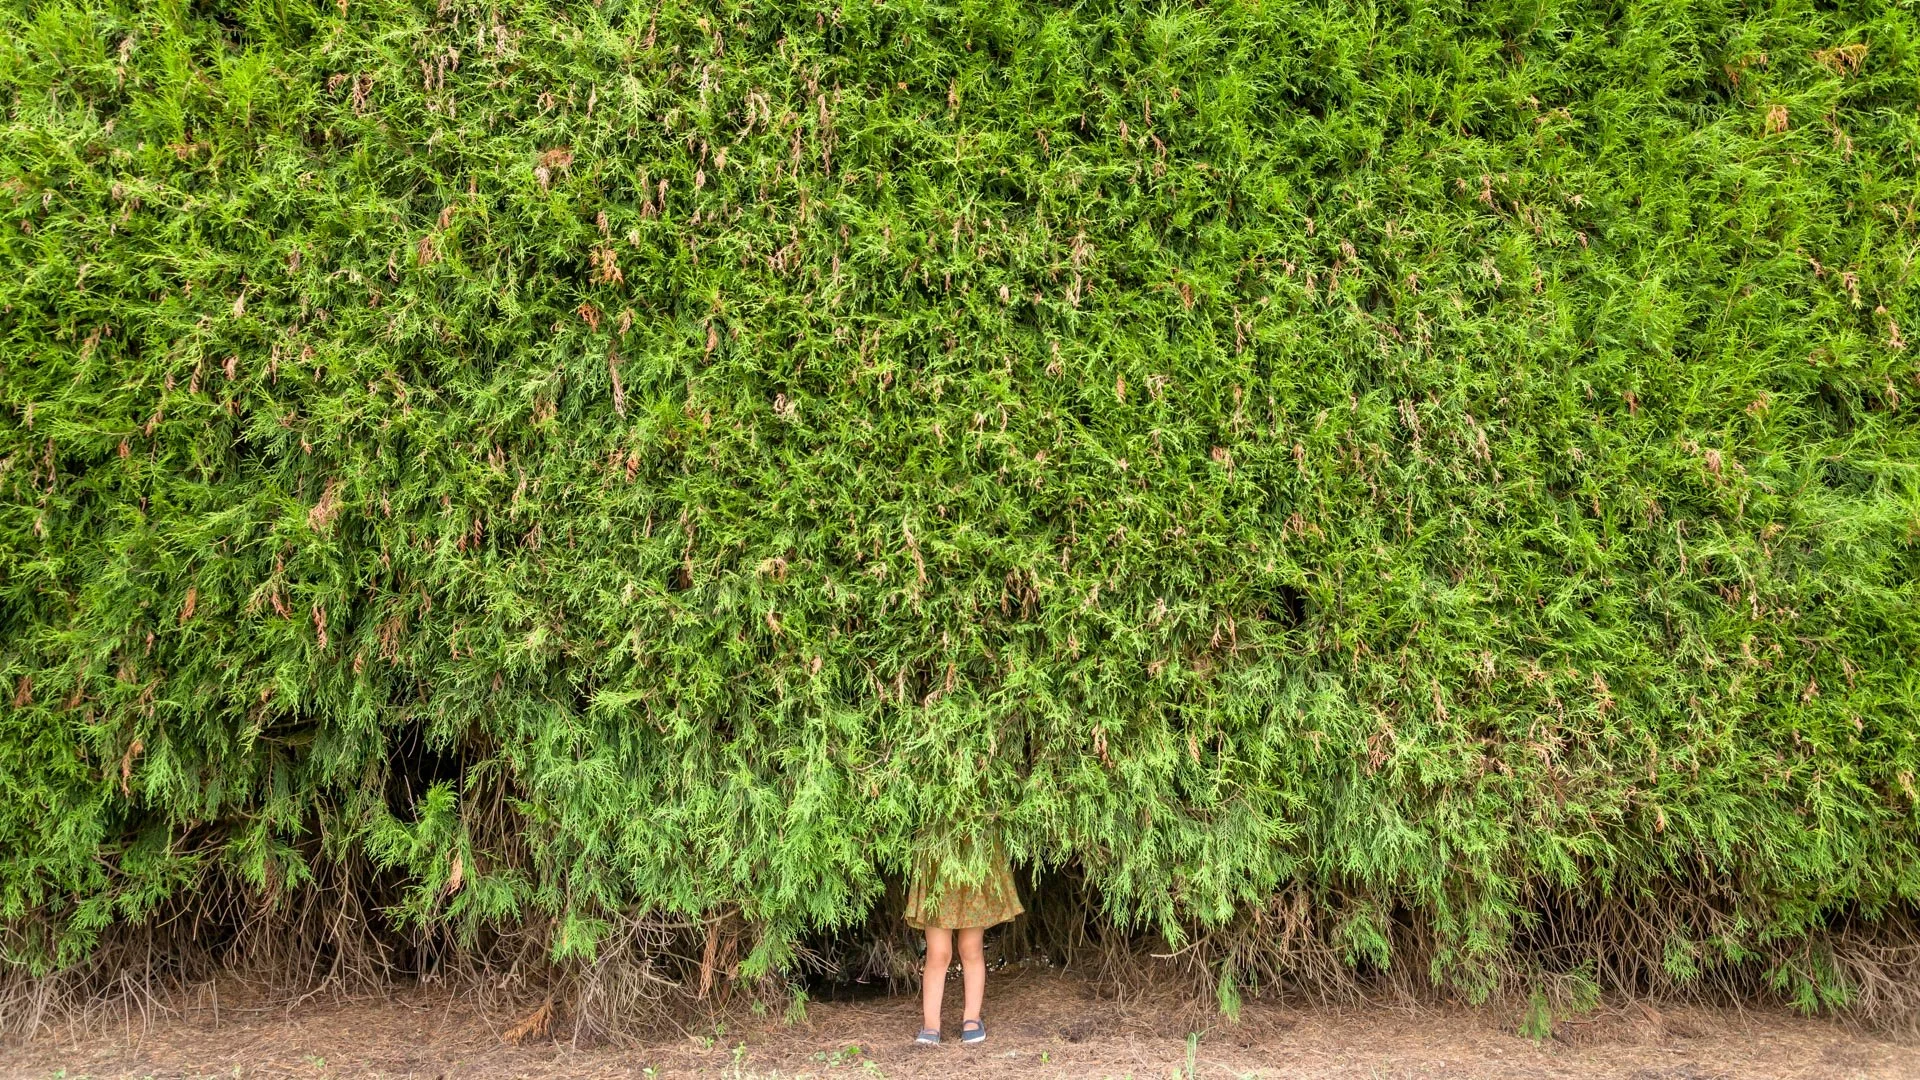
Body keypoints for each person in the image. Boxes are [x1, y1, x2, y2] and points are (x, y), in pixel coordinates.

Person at [905, 830, 1023, 1046]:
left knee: (970, 948)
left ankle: (972, 1019)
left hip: (974, 852)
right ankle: (931, 1025)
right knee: (938, 953)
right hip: (938, 853)